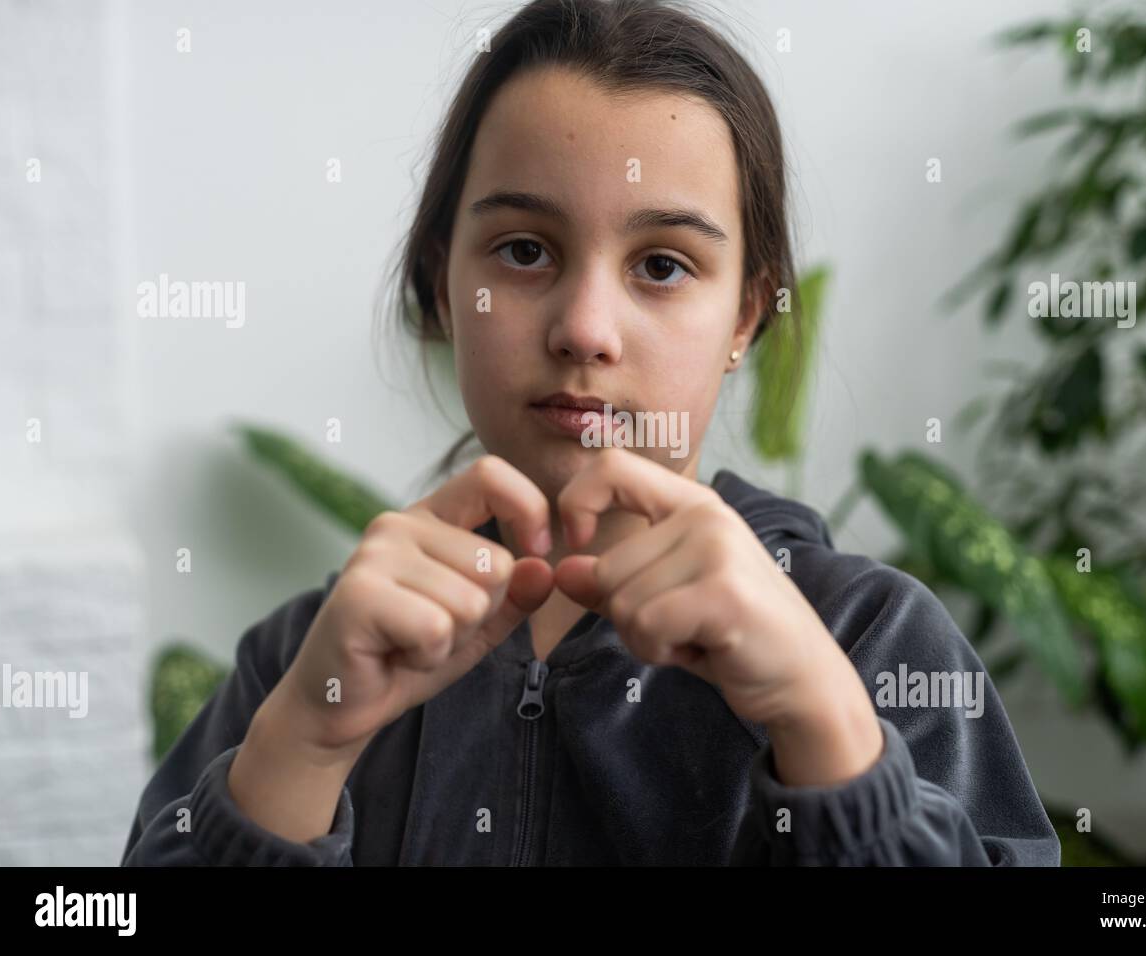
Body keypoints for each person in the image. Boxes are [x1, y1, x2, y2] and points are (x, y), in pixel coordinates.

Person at [121, 0, 1060, 866]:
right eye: (524, 252)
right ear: (443, 282)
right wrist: (297, 757)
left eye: (661, 263)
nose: (585, 328)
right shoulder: (303, 661)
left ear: (744, 317)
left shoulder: (877, 640)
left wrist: (830, 739)